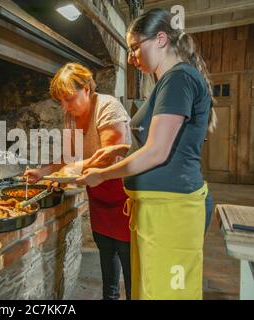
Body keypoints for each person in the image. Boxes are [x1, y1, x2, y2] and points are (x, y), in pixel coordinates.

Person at [77, 8, 217, 300]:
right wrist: (119, 149)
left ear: (161, 39)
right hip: (157, 209)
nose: (131, 58)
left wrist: (101, 175)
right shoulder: (167, 82)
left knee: (168, 293)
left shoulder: (178, 79)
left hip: (174, 210)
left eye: (135, 48)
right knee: (149, 290)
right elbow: (155, 142)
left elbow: (156, 152)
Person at [24, 62, 132, 300]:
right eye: (60, 100)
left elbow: (114, 155)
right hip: (98, 194)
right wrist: (43, 172)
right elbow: (69, 158)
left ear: (86, 88)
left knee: (129, 259)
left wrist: (76, 167)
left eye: (69, 98)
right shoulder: (70, 116)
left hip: (123, 195)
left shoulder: (108, 107)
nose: (64, 106)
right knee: (106, 251)